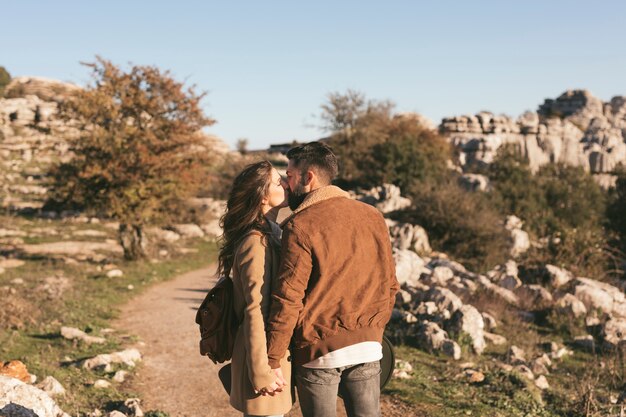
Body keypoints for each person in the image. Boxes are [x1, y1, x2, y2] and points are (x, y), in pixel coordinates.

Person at [265, 142, 399, 417]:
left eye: (289, 176)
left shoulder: (300, 225)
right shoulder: (373, 215)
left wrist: (272, 357)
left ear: (308, 177)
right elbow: (391, 283)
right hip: (368, 347)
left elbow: (288, 297)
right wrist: (374, 327)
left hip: (318, 354)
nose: (287, 184)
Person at [217, 161, 292, 417]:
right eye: (277, 181)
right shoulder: (255, 242)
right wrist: (263, 371)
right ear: (262, 196)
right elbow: (254, 309)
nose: (285, 183)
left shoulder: (270, 234)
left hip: (267, 357)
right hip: (260, 362)